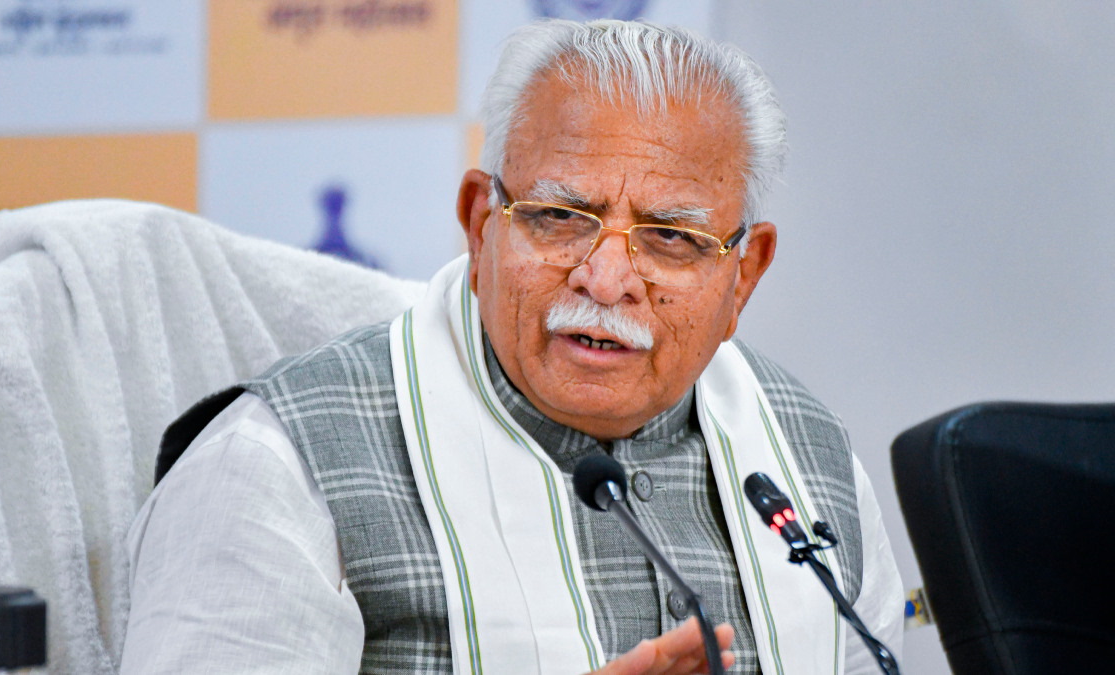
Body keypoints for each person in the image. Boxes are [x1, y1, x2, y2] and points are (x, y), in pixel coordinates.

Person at [120, 18, 903, 675]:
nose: (606, 279)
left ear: (743, 275)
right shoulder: (276, 465)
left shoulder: (810, 461)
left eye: (671, 236)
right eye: (560, 217)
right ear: (479, 224)